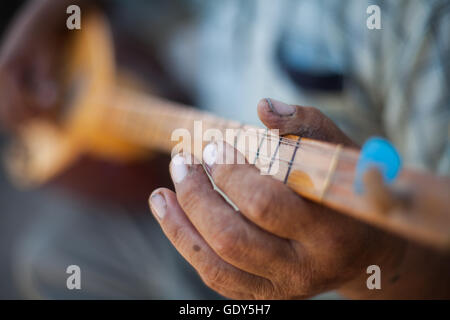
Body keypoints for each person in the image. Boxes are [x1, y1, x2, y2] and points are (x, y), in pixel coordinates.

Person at [0, 0, 448, 299]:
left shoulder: (419, 17)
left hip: (337, 278)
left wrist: (384, 260)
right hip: (190, 172)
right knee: (52, 257)